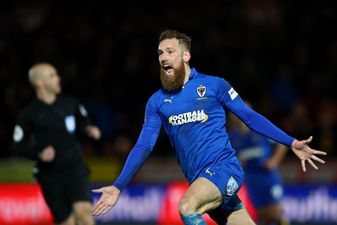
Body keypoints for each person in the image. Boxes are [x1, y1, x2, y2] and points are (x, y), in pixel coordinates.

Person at [92, 29, 326, 225]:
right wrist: (118, 185)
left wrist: (291, 142)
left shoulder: (214, 86)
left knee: (187, 206)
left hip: (224, 169)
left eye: (170, 51)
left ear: (186, 56)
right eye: (160, 53)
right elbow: (144, 145)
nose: (163, 57)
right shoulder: (157, 102)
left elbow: (250, 117)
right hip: (202, 181)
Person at [12, 63, 101, 225]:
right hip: (50, 176)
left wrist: (89, 128)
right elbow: (16, 144)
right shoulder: (29, 113)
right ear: (39, 83)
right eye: (52, 76)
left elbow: (84, 121)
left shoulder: (71, 103)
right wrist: (38, 155)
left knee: (84, 213)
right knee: (66, 222)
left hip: (75, 168)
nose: (58, 79)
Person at [228, 105, 288, 225]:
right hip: (251, 178)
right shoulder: (233, 137)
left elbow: (283, 143)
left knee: (275, 213)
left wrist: (274, 160)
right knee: (262, 215)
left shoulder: (260, 130)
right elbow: (230, 157)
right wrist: (237, 161)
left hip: (268, 177)